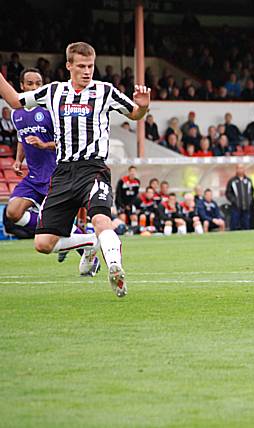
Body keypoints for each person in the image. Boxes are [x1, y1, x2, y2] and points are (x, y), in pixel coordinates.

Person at [0, 41, 151, 298]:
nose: (86, 71)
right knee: (43, 244)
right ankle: (92, 242)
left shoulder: (105, 91)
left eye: (90, 66)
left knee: (101, 219)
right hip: (63, 172)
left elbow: (135, 114)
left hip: (93, 169)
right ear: (68, 66)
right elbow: (15, 101)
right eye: (81, 66)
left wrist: (144, 106)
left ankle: (115, 266)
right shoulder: (53, 92)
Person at [3, 68, 56, 239]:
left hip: (55, 176)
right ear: (22, 86)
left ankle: (84, 248)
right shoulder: (16, 113)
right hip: (34, 177)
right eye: (30, 83)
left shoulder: (50, 110)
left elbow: (66, 143)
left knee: (55, 229)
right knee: (13, 212)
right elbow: (21, 138)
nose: (34, 87)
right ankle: (55, 230)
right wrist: (18, 160)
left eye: (38, 84)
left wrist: (44, 144)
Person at [225, 164, 254, 230]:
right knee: (234, 225)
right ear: (236, 170)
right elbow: (228, 193)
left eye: (242, 168)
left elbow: (251, 192)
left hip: (246, 207)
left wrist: (249, 201)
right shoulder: (232, 181)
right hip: (236, 207)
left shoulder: (248, 181)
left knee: (246, 225)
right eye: (239, 168)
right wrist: (234, 201)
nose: (240, 170)